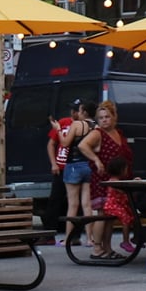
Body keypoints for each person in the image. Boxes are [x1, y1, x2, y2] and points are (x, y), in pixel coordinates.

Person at [78, 100, 137, 257]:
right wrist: (96, 160)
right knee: (102, 213)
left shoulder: (118, 133)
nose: (104, 120)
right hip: (102, 180)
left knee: (110, 217)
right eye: (101, 117)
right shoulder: (97, 133)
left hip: (119, 181)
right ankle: (97, 248)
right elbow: (82, 145)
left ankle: (108, 248)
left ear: (114, 117)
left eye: (107, 116)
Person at [52, 100, 95, 244]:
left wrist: (58, 129)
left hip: (73, 166)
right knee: (87, 204)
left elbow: (65, 143)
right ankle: (90, 238)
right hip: (88, 166)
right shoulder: (95, 127)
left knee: (73, 204)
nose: (78, 113)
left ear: (85, 112)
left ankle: (68, 239)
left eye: (81, 110)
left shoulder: (77, 125)